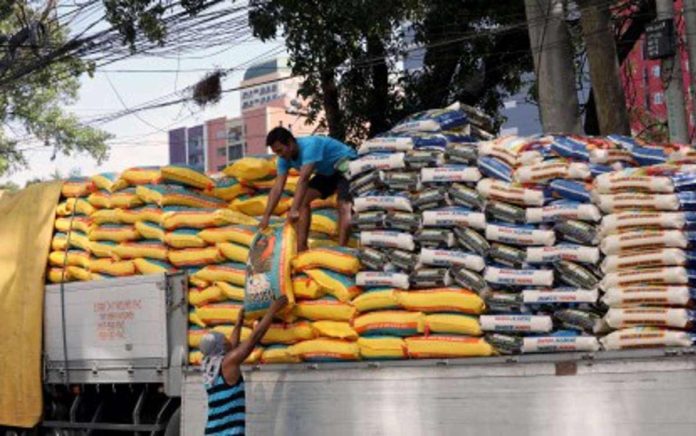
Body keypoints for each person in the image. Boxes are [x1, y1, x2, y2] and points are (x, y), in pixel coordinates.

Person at [198, 296, 288, 436]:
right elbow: (254, 338)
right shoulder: (227, 364)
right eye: (225, 339)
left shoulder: (210, 365)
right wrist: (273, 309)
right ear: (221, 346)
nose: (228, 340)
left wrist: (238, 324)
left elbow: (232, 348)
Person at [260, 127, 357, 252]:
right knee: (302, 201)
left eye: (280, 150)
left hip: (347, 165)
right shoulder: (283, 159)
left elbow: (304, 179)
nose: (280, 155)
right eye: (276, 153)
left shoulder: (310, 145)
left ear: (290, 143)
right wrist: (266, 216)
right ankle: (302, 248)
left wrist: (293, 210)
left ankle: (341, 250)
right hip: (329, 172)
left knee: (343, 205)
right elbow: (277, 187)